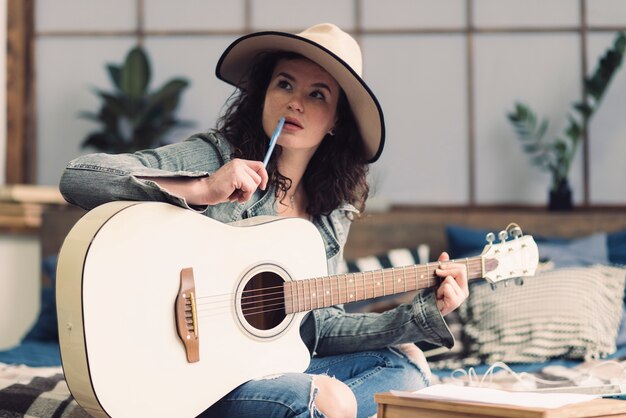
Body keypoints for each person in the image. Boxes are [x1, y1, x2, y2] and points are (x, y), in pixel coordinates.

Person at [60, 23, 469, 418]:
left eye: (318, 94)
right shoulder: (216, 158)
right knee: (327, 399)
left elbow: (320, 331)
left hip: (261, 373)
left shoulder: (330, 213)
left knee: (407, 370)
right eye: (285, 84)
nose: (295, 102)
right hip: (186, 378)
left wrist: (421, 313)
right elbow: (79, 177)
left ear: (336, 121)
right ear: (264, 93)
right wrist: (202, 189)